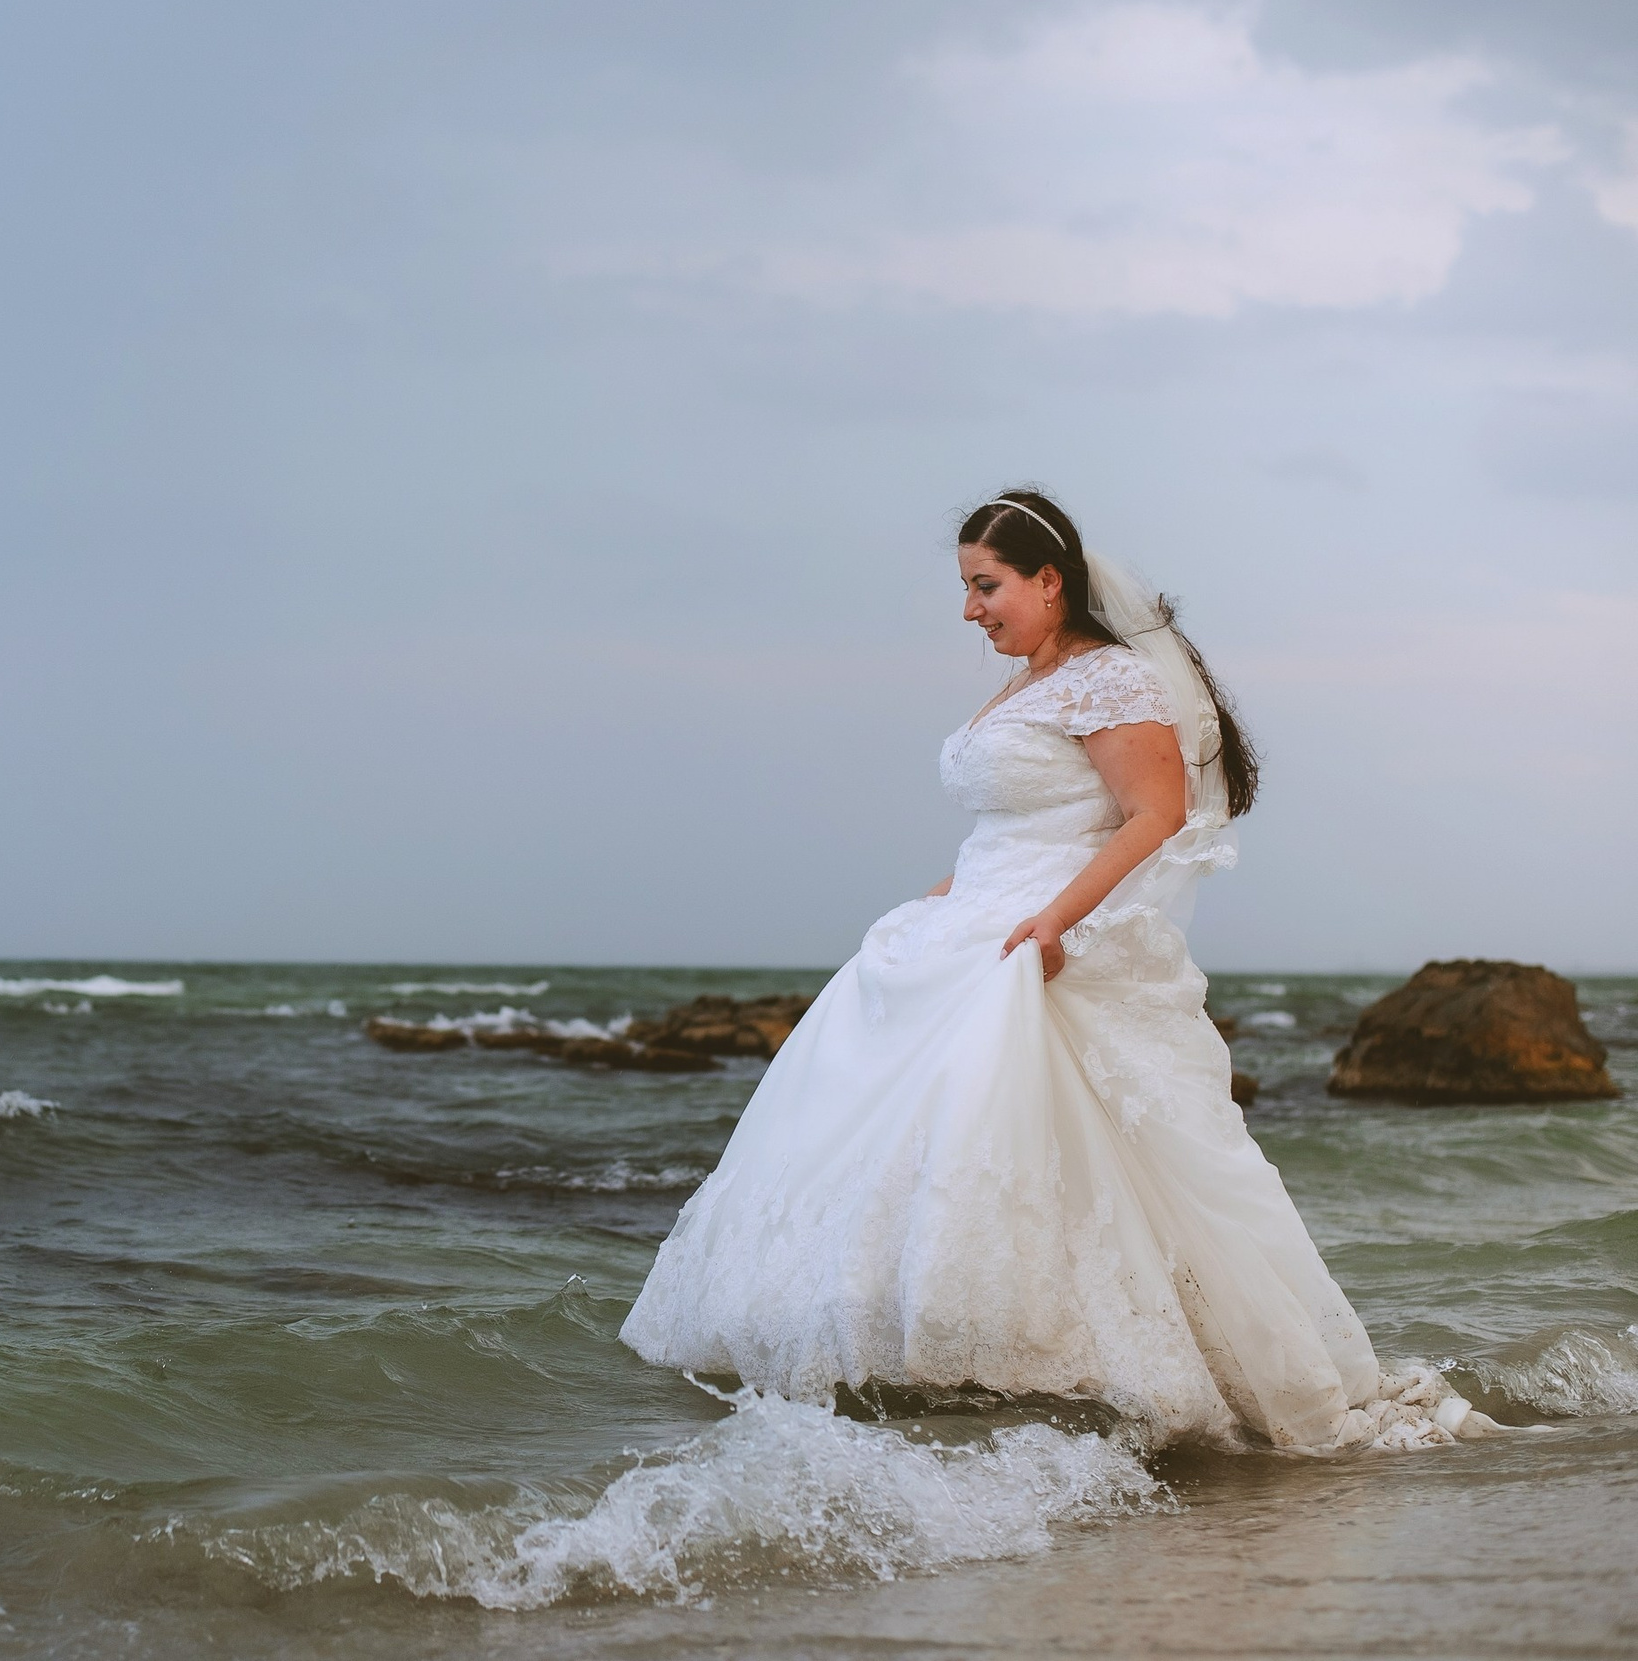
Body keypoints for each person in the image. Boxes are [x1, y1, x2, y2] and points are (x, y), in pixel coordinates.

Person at [620, 489, 1488, 1451]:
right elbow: (1012, 829)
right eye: (964, 587)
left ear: (1049, 581)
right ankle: (914, 1394)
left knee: (1044, 1158)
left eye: (985, 585)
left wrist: (1053, 923)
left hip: (1041, 936)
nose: (969, 609)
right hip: (970, 925)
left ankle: (1069, 1393)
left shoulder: (1107, 680)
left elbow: (1152, 815)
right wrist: (936, 902)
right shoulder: (1025, 683)